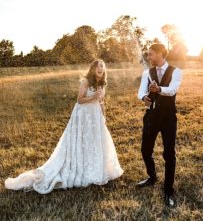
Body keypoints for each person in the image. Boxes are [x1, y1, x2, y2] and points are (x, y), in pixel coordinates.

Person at [5, 59, 123, 194]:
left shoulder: (102, 83)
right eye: (98, 66)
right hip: (82, 115)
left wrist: (103, 116)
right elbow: (79, 100)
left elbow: (101, 102)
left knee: (95, 142)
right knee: (81, 141)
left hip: (95, 116)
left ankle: (94, 168)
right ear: (93, 69)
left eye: (102, 66)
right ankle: (77, 167)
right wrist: (93, 98)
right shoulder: (86, 81)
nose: (100, 68)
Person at [137, 43, 182, 208]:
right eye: (148, 55)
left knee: (169, 153)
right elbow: (140, 91)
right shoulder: (147, 72)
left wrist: (159, 89)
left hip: (169, 118)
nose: (148, 58)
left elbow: (172, 90)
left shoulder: (176, 72)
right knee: (145, 149)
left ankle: (168, 190)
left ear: (160, 54)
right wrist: (144, 98)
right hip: (151, 116)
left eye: (150, 54)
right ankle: (152, 176)